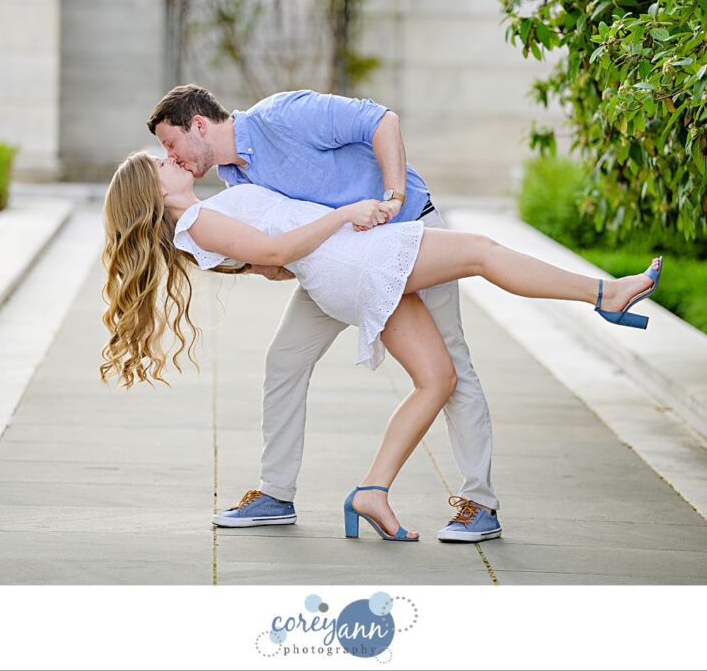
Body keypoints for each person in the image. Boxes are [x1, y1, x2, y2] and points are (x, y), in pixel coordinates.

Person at [99, 151, 663, 542]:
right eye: (157, 162)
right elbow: (273, 250)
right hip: (358, 258)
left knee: (438, 379)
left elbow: (266, 260)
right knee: (484, 251)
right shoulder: (197, 221)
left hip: (352, 266)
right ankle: (605, 294)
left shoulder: (203, 217)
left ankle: (372, 491)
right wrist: (345, 214)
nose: (167, 157)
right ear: (150, 191)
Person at [142, 84, 509, 543]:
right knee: (285, 359)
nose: (170, 156)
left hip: (410, 234)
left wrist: (393, 198)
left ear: (198, 125)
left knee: (450, 363)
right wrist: (270, 264)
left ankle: (481, 502)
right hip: (341, 265)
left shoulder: (283, 115)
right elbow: (284, 243)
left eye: (170, 143)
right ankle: (276, 494)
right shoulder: (235, 179)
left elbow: (383, 121)